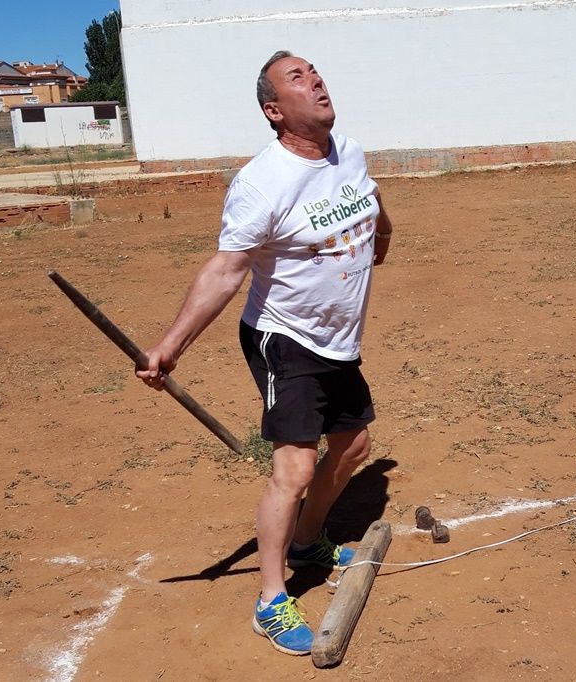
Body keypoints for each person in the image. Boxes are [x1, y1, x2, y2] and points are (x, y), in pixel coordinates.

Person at [136, 50, 393, 656]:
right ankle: (271, 598)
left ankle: (308, 540)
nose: (317, 80)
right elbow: (227, 270)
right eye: (297, 78)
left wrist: (383, 232)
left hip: (337, 337)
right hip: (285, 336)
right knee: (296, 468)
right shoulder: (261, 182)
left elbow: (369, 196)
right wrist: (170, 347)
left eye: (315, 71)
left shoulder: (347, 150)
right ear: (274, 111)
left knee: (355, 446)